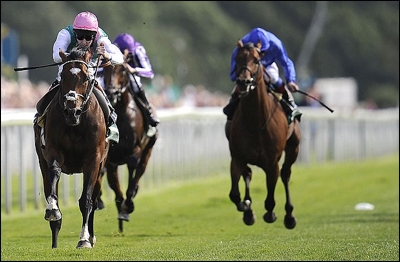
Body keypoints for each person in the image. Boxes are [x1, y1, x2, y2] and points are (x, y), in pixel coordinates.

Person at [34, 11, 124, 142]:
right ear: (75, 32)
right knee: (46, 101)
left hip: (88, 73)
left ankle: (111, 123)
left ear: (95, 35)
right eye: (80, 36)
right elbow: (56, 55)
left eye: (89, 37)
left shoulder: (101, 37)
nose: (84, 41)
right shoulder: (65, 33)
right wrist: (73, 58)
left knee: (103, 98)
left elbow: (120, 58)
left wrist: (106, 55)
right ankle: (40, 121)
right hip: (68, 71)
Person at [223, 27, 302, 122]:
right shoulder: (244, 42)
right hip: (250, 64)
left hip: (268, 65)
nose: (262, 54)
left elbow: (287, 63)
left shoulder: (276, 44)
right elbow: (235, 56)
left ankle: (291, 104)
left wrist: (290, 81)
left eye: (263, 52)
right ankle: (232, 102)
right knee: (243, 79)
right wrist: (234, 74)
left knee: (273, 77)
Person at [112, 33, 160, 129]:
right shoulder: (111, 50)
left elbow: (150, 72)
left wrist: (134, 70)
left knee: (135, 84)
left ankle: (148, 113)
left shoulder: (138, 50)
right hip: (118, 74)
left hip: (132, 74)